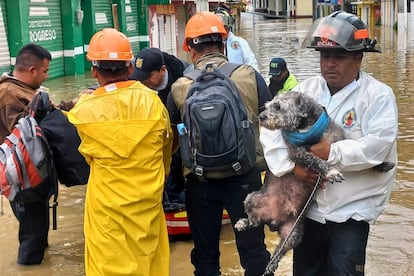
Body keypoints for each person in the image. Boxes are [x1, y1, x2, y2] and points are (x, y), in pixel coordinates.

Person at [260, 11, 398, 275]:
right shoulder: (305, 91)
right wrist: (291, 169)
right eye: (324, 56)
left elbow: (378, 146)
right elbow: (269, 130)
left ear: (359, 58)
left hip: (352, 214)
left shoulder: (378, 96)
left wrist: (331, 152)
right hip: (308, 213)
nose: (329, 64)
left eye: (339, 56)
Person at [167, 12, 272, 276]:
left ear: (190, 48)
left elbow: (172, 143)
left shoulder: (180, 86)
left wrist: (175, 184)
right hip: (245, 178)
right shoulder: (249, 75)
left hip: (200, 183)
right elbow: (273, 129)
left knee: (205, 255)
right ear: (224, 43)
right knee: (254, 252)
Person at [66, 28, 173, 275]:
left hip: (107, 216)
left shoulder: (83, 112)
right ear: (128, 68)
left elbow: (79, 158)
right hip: (147, 207)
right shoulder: (153, 103)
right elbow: (166, 150)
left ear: (94, 70)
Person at [0, 43, 55, 265]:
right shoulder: (7, 93)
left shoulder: (23, 89)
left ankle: (40, 263)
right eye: (45, 71)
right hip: (22, 178)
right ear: (32, 70)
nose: (46, 76)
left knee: (38, 230)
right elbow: (23, 130)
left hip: (32, 173)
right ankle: (29, 268)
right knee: (32, 237)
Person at [128, 47, 186, 205]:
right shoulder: (139, 79)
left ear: (162, 70)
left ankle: (177, 198)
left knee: (176, 162)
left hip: (180, 132)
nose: (142, 82)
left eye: (147, 77)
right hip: (152, 136)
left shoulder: (184, 79)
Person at [213, 6, 259, 71]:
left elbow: (252, 66)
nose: (222, 32)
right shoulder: (206, 46)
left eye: (225, 28)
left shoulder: (241, 43)